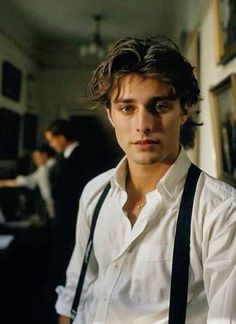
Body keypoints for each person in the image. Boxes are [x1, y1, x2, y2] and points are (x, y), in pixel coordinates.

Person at [56, 37, 236, 324]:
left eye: (160, 106)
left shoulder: (221, 211)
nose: (143, 125)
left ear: (184, 109)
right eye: (127, 108)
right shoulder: (95, 192)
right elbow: (77, 288)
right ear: (111, 115)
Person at [45, 119, 98, 293]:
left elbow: (76, 192)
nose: (51, 145)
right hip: (65, 218)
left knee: (70, 262)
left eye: (51, 140)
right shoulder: (65, 157)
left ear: (61, 138)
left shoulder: (80, 156)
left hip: (72, 219)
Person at [0, 144, 56, 219]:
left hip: (54, 208)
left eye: (36, 157)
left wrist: (3, 183)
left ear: (45, 155)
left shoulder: (44, 169)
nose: (35, 161)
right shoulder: (51, 166)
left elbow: (26, 181)